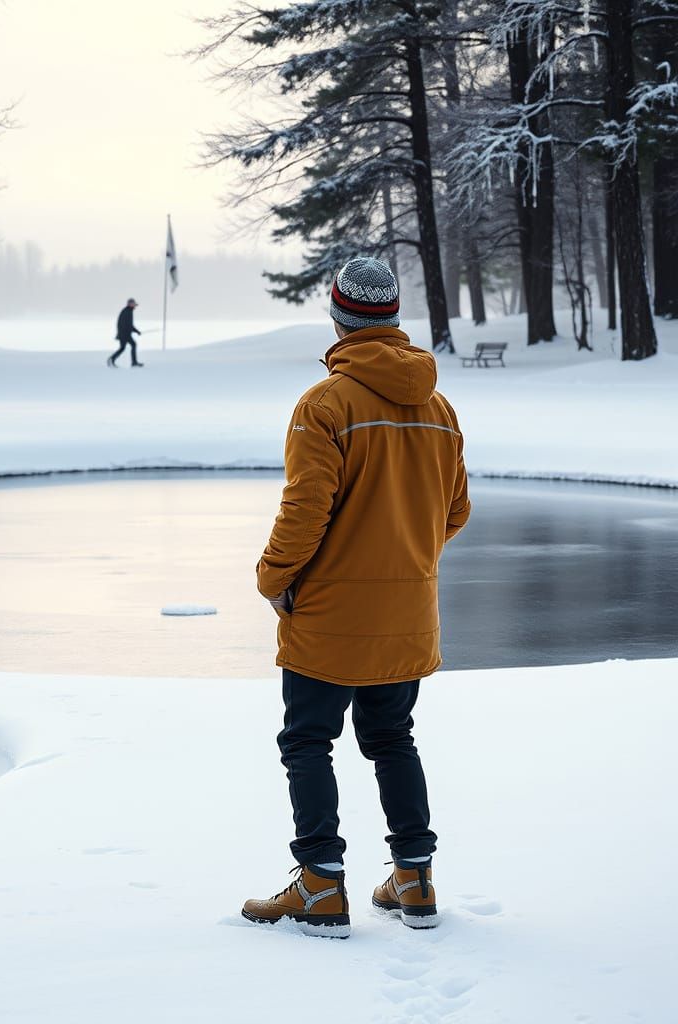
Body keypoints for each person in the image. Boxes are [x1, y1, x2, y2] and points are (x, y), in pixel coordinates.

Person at [241, 257, 471, 939]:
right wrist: (405, 565)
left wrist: (272, 579)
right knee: (393, 738)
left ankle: (319, 886)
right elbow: (455, 511)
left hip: (330, 619)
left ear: (339, 318)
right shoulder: (438, 406)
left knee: (308, 741)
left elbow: (304, 512)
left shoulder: (326, 404)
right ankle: (415, 877)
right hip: (407, 618)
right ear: (394, 319)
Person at [108, 298, 143, 367]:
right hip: (124, 334)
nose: (134, 305)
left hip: (124, 334)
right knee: (133, 345)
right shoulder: (126, 312)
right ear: (129, 304)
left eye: (134, 304)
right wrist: (133, 332)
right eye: (133, 304)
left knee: (123, 348)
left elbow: (129, 325)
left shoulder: (129, 311)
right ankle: (134, 362)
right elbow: (125, 324)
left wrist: (136, 331)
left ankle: (112, 359)